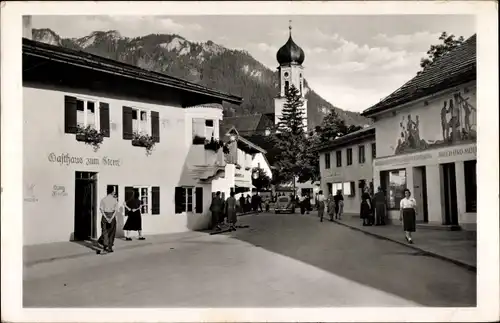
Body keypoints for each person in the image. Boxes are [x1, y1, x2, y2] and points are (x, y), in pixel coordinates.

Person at [97, 186, 118, 254]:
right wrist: (111, 218)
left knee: (104, 231)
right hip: (112, 215)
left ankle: (105, 245)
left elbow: (101, 209)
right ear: (112, 191)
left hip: (105, 215)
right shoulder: (115, 200)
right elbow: (115, 211)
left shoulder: (103, 199)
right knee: (112, 232)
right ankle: (110, 247)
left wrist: (106, 217)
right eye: (113, 191)